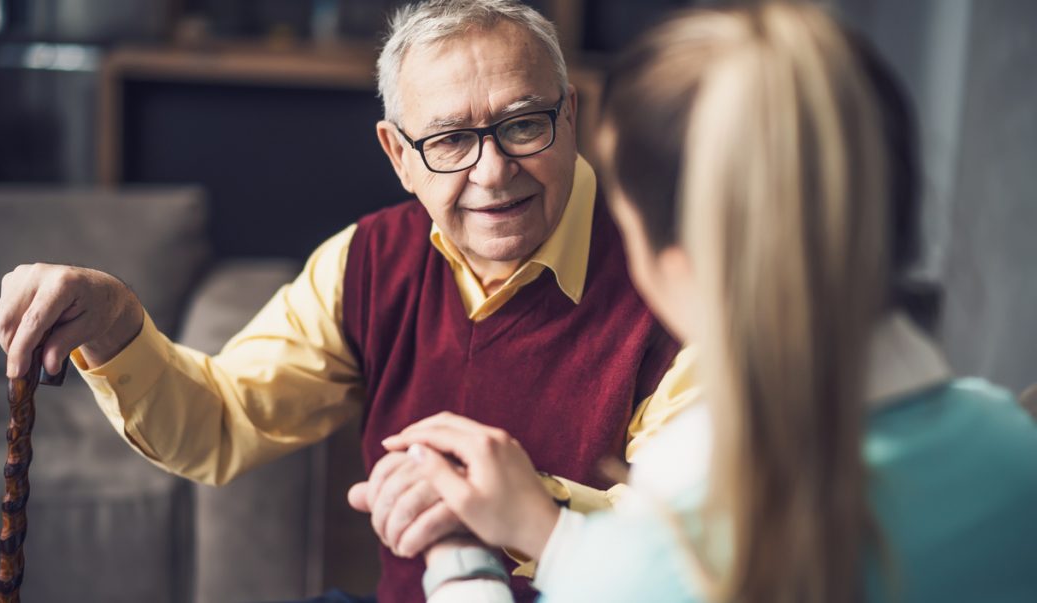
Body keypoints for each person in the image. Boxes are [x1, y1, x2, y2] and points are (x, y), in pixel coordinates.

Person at [0, 1, 696, 602]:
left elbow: (700, 555)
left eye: (522, 125)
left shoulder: (676, 281)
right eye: (451, 140)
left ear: (570, 114)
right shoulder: (366, 261)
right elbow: (222, 421)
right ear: (398, 155)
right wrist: (118, 326)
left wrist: (527, 504)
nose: (492, 170)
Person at [383, 3, 1037, 602]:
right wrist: (551, 537)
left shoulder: (662, 562)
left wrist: (461, 560)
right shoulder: (1016, 451)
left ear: (680, 259)